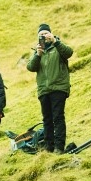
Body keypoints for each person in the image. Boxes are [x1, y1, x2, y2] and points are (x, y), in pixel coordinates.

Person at [26, 23, 73, 153]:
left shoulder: (58, 47)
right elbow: (30, 67)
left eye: (46, 33)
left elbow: (69, 53)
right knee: (47, 119)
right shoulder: (37, 51)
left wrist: (55, 41)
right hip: (43, 90)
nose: (44, 36)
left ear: (51, 34)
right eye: (41, 35)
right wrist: (37, 55)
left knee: (58, 117)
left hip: (58, 88)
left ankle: (59, 147)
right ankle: (48, 148)